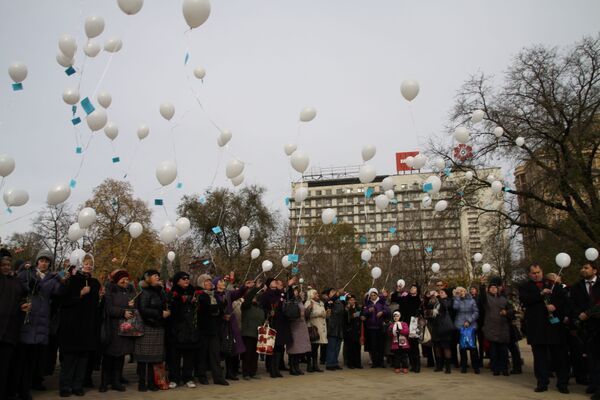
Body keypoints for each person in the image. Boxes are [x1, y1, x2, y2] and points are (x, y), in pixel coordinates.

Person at [15, 250, 64, 399]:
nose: (44, 263)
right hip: (27, 320)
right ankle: (19, 388)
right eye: (41, 260)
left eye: (47, 261)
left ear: (50, 263)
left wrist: (63, 281)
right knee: (21, 358)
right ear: (37, 262)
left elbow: (58, 293)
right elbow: (19, 289)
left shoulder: (53, 278)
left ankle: (30, 385)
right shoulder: (27, 273)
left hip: (42, 322)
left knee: (34, 359)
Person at [519, 264, 570, 393]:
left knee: (559, 356)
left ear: (542, 272)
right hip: (536, 327)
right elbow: (525, 300)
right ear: (530, 274)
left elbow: (563, 300)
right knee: (540, 357)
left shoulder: (552, 284)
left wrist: (555, 306)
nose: (536, 275)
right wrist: (540, 294)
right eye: (533, 273)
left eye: (538, 272)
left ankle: (562, 383)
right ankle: (542, 382)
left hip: (553, 326)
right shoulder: (525, 287)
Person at [58, 253, 101, 397]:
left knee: (83, 359)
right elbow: (63, 301)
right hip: (72, 325)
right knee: (70, 358)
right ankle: (65, 385)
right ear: (80, 264)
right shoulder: (73, 280)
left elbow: (96, 305)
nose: (88, 266)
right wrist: (80, 294)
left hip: (88, 325)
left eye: (90, 263)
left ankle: (78, 385)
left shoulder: (95, 283)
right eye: (85, 263)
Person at [134, 269, 170, 392]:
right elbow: (143, 309)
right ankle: (142, 383)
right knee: (144, 358)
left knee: (154, 358)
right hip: (148, 326)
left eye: (158, 276)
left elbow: (165, 303)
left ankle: (151, 382)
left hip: (158, 326)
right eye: (155, 275)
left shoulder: (160, 291)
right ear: (148, 277)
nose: (158, 277)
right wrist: (160, 313)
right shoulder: (145, 292)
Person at [100, 270, 135, 392]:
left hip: (124, 328)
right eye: (122, 279)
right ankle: (104, 381)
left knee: (120, 356)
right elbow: (109, 309)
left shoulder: (129, 290)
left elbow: (132, 307)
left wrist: (131, 306)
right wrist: (123, 312)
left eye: (127, 279)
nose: (125, 281)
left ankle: (116, 380)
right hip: (112, 327)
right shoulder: (110, 290)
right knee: (109, 355)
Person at [212, 274, 252, 381]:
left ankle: (230, 372)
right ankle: (218, 373)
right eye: (220, 281)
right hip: (220, 326)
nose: (223, 282)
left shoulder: (228, 294)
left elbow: (237, 293)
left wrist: (245, 287)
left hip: (230, 325)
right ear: (216, 284)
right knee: (221, 349)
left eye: (223, 281)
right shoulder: (213, 295)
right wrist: (222, 316)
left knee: (231, 348)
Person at [570, 262, 600, 399]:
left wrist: (590, 313)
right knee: (591, 358)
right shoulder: (577, 286)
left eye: (586, 268)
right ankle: (593, 383)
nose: (583, 270)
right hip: (587, 328)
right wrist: (580, 315)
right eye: (582, 267)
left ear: (595, 270)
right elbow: (574, 304)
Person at [1, 255, 29, 400]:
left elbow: (23, 295)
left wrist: (22, 304)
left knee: (6, 367)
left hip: (10, 331)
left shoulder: (16, 281)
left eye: (8, 264)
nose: (6, 267)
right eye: (3, 265)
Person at [166, 271, 201, 389]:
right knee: (175, 357)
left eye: (187, 278)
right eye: (183, 278)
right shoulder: (173, 293)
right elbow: (171, 310)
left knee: (189, 357)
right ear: (177, 281)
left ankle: (188, 378)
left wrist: (195, 302)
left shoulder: (194, 292)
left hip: (191, 329)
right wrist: (183, 300)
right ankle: (174, 378)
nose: (186, 280)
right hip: (177, 330)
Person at [195, 274, 229, 386]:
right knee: (202, 355)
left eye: (210, 281)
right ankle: (202, 376)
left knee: (215, 354)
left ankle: (218, 377)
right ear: (201, 283)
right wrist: (219, 307)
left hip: (214, 330)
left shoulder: (213, 295)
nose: (210, 283)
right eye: (207, 281)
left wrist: (221, 310)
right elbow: (206, 309)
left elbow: (217, 310)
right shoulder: (200, 295)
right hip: (204, 330)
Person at [261, 277, 295, 378]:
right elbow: (262, 306)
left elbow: (289, 297)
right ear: (268, 284)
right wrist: (268, 313)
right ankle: (272, 369)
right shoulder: (266, 294)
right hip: (273, 323)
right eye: (272, 281)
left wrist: (289, 286)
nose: (275, 281)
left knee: (280, 347)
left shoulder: (280, 293)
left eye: (276, 280)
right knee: (273, 347)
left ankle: (277, 369)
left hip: (282, 322)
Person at [480, 277, 512, 376]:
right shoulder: (486, 299)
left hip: (502, 327)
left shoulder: (503, 299)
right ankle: (496, 368)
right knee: (494, 351)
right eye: (491, 287)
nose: (493, 289)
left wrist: (506, 312)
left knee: (503, 350)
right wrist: (482, 285)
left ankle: (504, 368)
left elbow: (511, 310)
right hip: (491, 327)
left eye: (495, 287)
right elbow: (482, 297)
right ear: (488, 289)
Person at [426, 288, 455, 374]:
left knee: (446, 347)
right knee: (437, 346)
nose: (440, 294)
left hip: (445, 327)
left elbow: (446, 306)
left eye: (442, 292)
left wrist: (439, 298)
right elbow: (429, 308)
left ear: (446, 294)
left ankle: (448, 367)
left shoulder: (449, 300)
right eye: (440, 292)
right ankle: (439, 365)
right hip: (436, 326)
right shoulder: (437, 302)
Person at [452, 286, 480, 374]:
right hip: (460, 326)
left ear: (465, 291)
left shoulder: (472, 300)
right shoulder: (457, 300)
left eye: (462, 291)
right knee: (462, 347)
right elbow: (455, 308)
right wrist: (457, 297)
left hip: (471, 326)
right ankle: (463, 366)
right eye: (459, 291)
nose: (461, 292)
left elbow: (476, 312)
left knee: (473, 347)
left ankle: (476, 366)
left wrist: (469, 320)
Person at [361, 288, 390, 368]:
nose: (373, 297)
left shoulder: (381, 302)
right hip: (371, 327)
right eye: (371, 295)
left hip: (380, 327)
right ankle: (375, 362)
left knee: (381, 345)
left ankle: (381, 362)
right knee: (373, 346)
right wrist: (368, 311)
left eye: (374, 295)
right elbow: (363, 313)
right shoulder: (368, 303)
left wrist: (382, 312)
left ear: (377, 295)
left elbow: (388, 310)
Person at [240, 283, 264, 380]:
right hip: (248, 334)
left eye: (255, 296)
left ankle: (253, 372)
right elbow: (248, 299)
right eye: (253, 296)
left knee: (255, 355)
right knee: (247, 354)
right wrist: (256, 288)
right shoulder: (246, 306)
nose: (254, 297)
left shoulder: (260, 308)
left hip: (258, 334)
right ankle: (246, 373)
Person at [287, 286, 312, 375]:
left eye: (297, 291)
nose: (297, 292)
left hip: (302, 325)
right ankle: (292, 367)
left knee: (299, 348)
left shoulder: (299, 301)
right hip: (294, 325)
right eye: (295, 291)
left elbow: (304, 313)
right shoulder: (290, 301)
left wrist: (308, 310)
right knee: (294, 347)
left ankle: (297, 367)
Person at [399, 284, 422, 373]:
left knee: (414, 344)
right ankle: (412, 364)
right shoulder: (406, 298)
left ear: (417, 290)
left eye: (414, 288)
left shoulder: (418, 300)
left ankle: (417, 365)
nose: (412, 289)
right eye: (411, 288)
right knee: (407, 345)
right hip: (406, 322)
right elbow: (401, 306)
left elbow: (420, 311)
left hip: (414, 323)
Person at [304, 288, 327, 373]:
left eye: (317, 293)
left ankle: (315, 365)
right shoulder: (308, 302)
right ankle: (309, 365)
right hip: (312, 327)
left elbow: (323, 312)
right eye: (315, 293)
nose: (317, 295)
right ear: (311, 295)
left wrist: (325, 313)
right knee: (311, 347)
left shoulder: (321, 303)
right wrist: (319, 313)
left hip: (320, 326)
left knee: (316, 347)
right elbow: (307, 315)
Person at [325, 288, 345, 371]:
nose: (334, 293)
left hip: (339, 326)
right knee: (332, 347)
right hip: (332, 326)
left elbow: (344, 300)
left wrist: (343, 294)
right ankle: (329, 363)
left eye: (334, 291)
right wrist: (336, 295)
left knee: (337, 347)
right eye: (332, 292)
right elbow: (331, 301)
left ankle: (335, 362)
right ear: (328, 294)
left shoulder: (339, 300)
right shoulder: (329, 301)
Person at [343, 294, 362, 369]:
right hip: (349, 330)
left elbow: (361, 316)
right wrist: (350, 315)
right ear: (348, 301)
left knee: (357, 347)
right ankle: (350, 363)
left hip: (357, 330)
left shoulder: (358, 308)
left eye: (353, 300)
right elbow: (345, 319)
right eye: (350, 300)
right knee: (350, 348)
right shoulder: (346, 308)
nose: (352, 301)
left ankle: (358, 363)